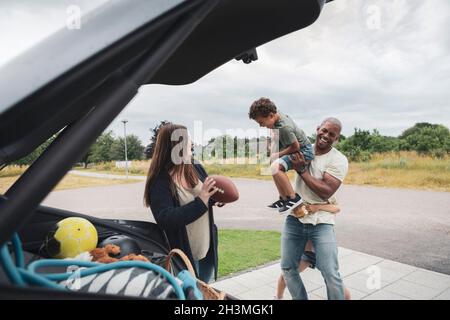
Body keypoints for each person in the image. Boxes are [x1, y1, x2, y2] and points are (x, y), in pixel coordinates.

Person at [144, 123, 223, 283]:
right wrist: (202, 201)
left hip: (206, 247)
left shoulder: (195, 166)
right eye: (188, 140)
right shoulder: (159, 180)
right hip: (184, 254)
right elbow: (166, 219)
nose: (192, 144)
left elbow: (204, 194)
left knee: (204, 290)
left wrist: (214, 198)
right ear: (176, 145)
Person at [281, 117, 349, 300]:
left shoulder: (339, 160)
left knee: (330, 272)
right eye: (324, 130)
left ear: (336, 139)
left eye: (332, 134)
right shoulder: (302, 150)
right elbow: (279, 166)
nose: (326, 136)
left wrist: (302, 171)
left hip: (322, 222)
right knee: (288, 268)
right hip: (295, 219)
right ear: (318, 128)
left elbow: (326, 192)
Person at [248, 97, 314, 213]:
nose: (261, 126)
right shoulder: (277, 117)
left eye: (261, 122)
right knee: (272, 163)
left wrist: (278, 154)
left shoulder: (284, 127)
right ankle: (284, 198)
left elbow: (295, 147)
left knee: (275, 166)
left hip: (304, 151)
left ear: (271, 115)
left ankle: (293, 198)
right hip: (294, 148)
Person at [274, 204, 351, 300]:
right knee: (287, 272)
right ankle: (278, 296)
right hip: (307, 254)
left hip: (318, 251)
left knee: (334, 280)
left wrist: (318, 207)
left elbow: (336, 208)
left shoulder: (323, 207)